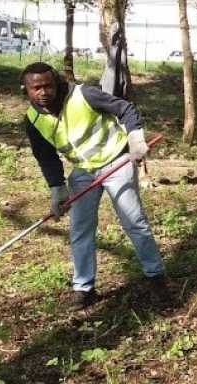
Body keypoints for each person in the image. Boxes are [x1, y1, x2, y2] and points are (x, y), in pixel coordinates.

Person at [20, 62, 168, 310]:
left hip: (116, 161)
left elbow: (125, 109)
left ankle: (157, 277)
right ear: (26, 90)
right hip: (83, 171)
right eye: (36, 88)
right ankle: (83, 288)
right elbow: (46, 157)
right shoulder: (33, 119)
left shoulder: (83, 95)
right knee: (80, 229)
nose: (43, 92)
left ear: (56, 83)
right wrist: (57, 188)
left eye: (48, 85)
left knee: (133, 221)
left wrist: (135, 139)